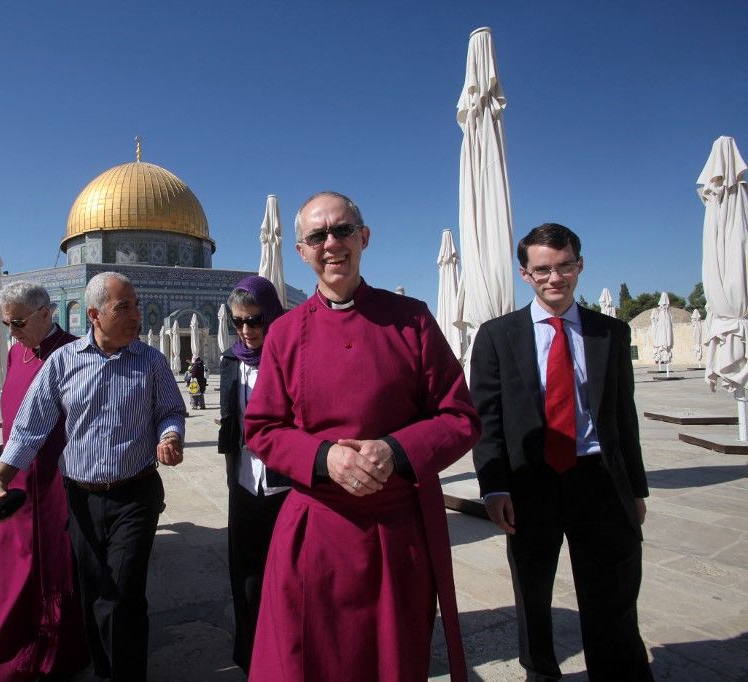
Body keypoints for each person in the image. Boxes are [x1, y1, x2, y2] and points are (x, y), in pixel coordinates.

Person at [244, 192, 480, 681]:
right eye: (317, 236)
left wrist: (395, 450)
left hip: (398, 534)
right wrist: (323, 457)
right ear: (302, 252)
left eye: (342, 230)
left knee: (393, 662)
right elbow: (262, 427)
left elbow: (459, 416)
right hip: (317, 533)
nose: (332, 243)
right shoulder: (285, 333)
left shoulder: (412, 319)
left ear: (364, 238)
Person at [470, 224, 652, 681]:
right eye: (543, 269)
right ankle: (541, 672)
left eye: (565, 266)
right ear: (525, 275)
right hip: (531, 481)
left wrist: (636, 489)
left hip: (599, 480)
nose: (556, 278)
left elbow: (622, 418)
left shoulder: (610, 332)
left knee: (612, 593)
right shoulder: (497, 336)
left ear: (580, 265)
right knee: (533, 593)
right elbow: (485, 420)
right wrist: (493, 487)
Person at [0, 271, 186, 682]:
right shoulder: (63, 362)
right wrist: (2, 475)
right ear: (93, 314)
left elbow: (170, 409)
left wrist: (169, 435)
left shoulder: (151, 360)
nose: (136, 316)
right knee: (94, 592)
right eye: (123, 307)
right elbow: (31, 426)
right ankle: (105, 671)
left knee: (123, 593)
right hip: (81, 499)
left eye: (135, 304)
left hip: (135, 494)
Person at [0, 282, 88, 680]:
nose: (12, 331)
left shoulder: (76, 353)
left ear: (45, 313)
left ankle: (59, 652)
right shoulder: (15, 354)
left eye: (17, 322)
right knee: (12, 573)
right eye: (6, 324)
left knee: (59, 567)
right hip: (17, 485)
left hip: (58, 482)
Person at [217, 275, 289, 675]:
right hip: (244, 483)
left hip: (285, 485)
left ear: (273, 316)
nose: (247, 330)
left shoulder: (290, 358)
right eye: (238, 321)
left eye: (256, 320)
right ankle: (252, 654)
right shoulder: (231, 361)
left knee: (287, 575)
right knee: (245, 574)